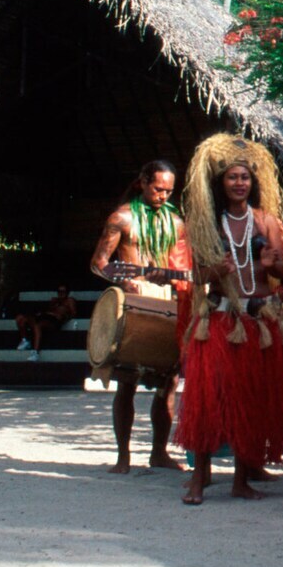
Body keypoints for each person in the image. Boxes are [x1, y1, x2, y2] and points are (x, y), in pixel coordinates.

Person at [175, 134, 283, 505]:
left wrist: (274, 264)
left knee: (252, 400)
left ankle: (242, 480)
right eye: (232, 177)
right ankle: (200, 479)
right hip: (219, 321)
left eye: (244, 177)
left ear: (253, 181)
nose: (239, 183)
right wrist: (215, 270)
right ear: (221, 182)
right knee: (209, 399)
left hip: (257, 322)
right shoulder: (207, 224)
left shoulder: (267, 221)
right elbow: (196, 277)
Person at [89, 160, 190, 475]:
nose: (163, 195)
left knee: (168, 383)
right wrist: (123, 281)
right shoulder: (121, 218)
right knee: (127, 383)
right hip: (132, 302)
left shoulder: (176, 223)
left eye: (169, 191)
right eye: (158, 188)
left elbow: (184, 267)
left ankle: (158, 453)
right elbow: (99, 262)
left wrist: (175, 279)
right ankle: (123, 456)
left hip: (166, 304)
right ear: (143, 182)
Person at [14, 285, 76, 361]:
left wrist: (64, 317)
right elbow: (48, 310)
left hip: (54, 320)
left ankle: (35, 353)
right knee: (20, 318)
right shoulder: (54, 300)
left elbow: (73, 313)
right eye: (59, 291)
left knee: (37, 326)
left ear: (67, 292)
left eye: (63, 291)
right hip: (45, 316)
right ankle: (25, 340)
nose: (61, 293)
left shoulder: (69, 300)